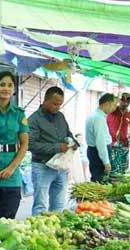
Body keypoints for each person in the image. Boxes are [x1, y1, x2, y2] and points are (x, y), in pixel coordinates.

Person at [0, 71, 28, 218]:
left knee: (8, 221)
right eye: (2, 85)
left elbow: (24, 143)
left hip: (11, 177)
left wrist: (12, 168)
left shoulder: (18, 113)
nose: (6, 88)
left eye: (10, 85)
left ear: (14, 89)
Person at [28, 86, 76, 214]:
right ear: (45, 100)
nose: (58, 107)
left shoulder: (60, 116)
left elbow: (68, 134)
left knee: (59, 205)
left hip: (61, 168)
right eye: (55, 104)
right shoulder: (34, 119)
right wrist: (57, 147)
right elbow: (30, 144)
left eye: (60, 104)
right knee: (40, 206)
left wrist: (73, 142)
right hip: (42, 167)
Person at [86, 93, 117, 183]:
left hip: (94, 151)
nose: (114, 108)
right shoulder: (98, 118)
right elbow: (100, 142)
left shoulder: (94, 116)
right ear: (107, 103)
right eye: (114, 105)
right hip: (98, 153)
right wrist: (106, 162)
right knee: (100, 181)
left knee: (97, 179)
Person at [106, 92, 130, 175]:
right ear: (120, 100)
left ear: (129, 102)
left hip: (123, 146)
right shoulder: (112, 111)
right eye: (122, 100)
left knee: (122, 168)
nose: (125, 103)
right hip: (110, 143)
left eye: (127, 101)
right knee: (110, 167)